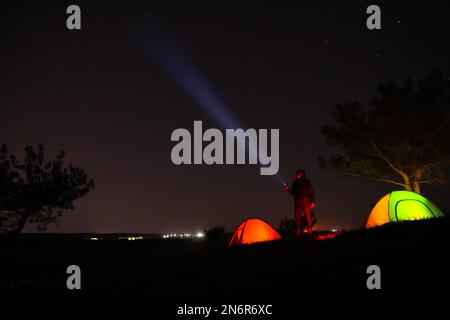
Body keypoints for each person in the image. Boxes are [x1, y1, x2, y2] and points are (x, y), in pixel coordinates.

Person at [283, 169, 315, 237]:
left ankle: (310, 231)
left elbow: (311, 192)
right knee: (297, 218)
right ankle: (298, 232)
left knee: (307, 216)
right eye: (297, 173)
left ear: (302, 174)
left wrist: (312, 201)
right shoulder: (295, 182)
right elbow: (293, 192)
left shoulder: (307, 182)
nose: (297, 174)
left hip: (305, 201)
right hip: (297, 202)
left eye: (299, 173)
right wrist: (287, 189)